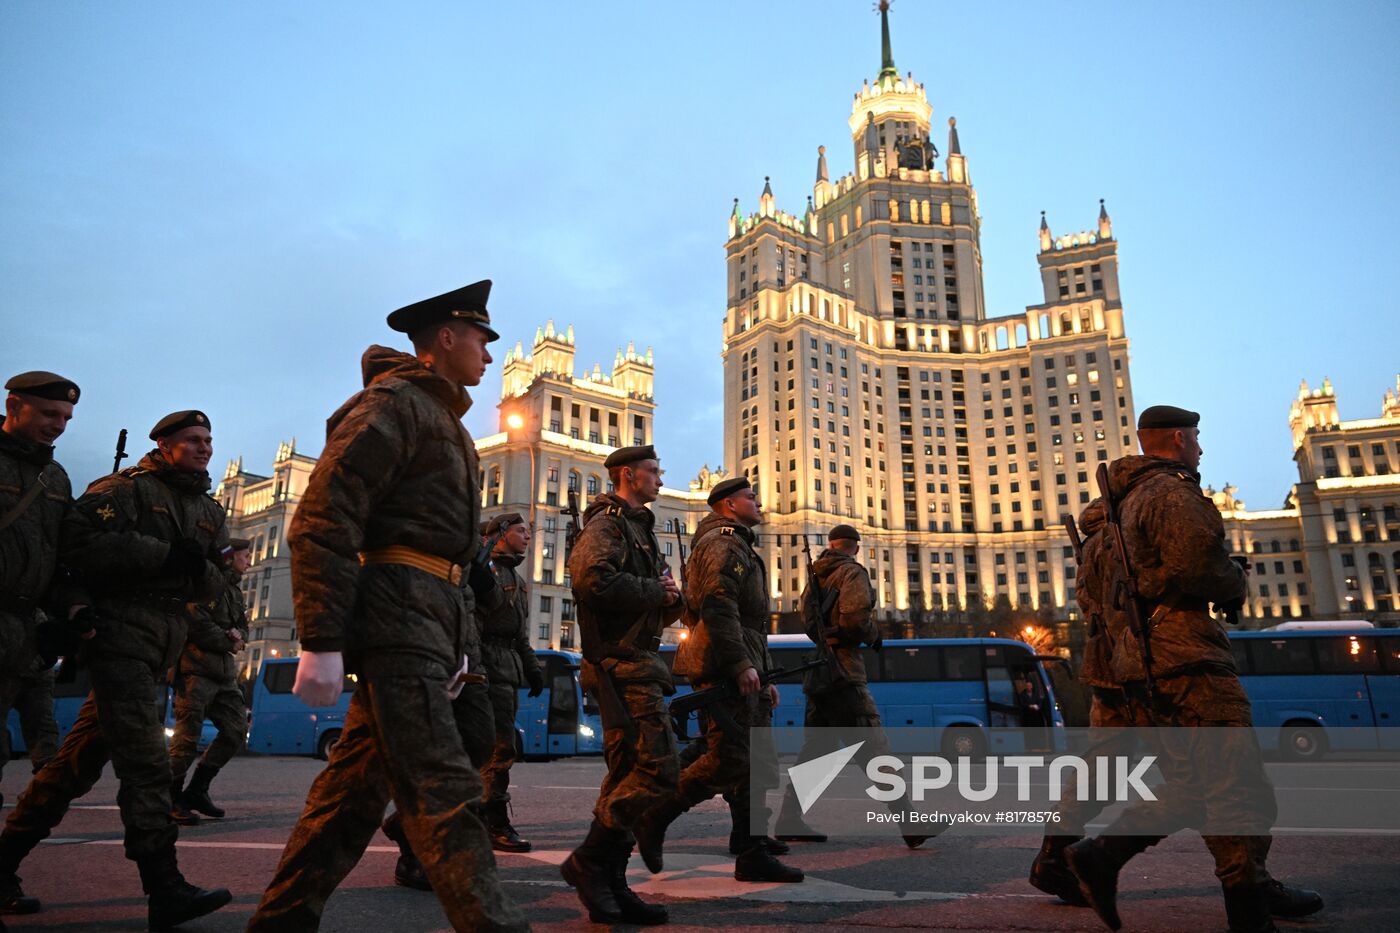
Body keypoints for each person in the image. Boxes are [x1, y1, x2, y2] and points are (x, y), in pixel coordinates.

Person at [246, 281, 526, 932]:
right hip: (398, 617)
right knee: (447, 787)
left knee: (354, 794)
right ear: (447, 338)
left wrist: (457, 637)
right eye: (481, 338)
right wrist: (320, 639)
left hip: (430, 617)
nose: (489, 352)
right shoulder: (393, 405)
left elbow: (452, 554)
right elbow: (322, 517)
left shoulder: (445, 421)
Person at [1061, 406, 1323, 933]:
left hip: (1139, 667)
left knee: (1202, 784)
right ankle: (1236, 905)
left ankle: (1245, 890)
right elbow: (1200, 566)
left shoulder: (1110, 517)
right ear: (1179, 438)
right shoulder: (1170, 494)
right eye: (1197, 440)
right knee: (1232, 783)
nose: (1201, 450)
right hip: (1187, 660)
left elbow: (1095, 603)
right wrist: (1235, 583)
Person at [0, 407, 235, 930]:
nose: (204, 448)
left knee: (72, 769)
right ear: (165, 444)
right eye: (193, 440)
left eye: (209, 440)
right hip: (118, 636)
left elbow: (221, 576)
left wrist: (195, 572)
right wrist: (163, 557)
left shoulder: (209, 509)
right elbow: (75, 546)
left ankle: (3, 861)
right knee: (148, 763)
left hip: (162, 644)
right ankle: (164, 885)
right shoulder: (125, 490)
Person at [633, 476, 805, 885]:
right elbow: (718, 607)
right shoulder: (723, 543)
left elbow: (746, 622)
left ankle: (752, 850)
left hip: (740, 664)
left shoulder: (736, 542)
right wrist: (740, 664)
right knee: (731, 759)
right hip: (722, 666)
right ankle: (654, 814)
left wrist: (760, 672)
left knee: (751, 762)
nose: (758, 501)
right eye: (751, 496)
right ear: (728, 505)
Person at [562, 444, 681, 925]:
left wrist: (670, 597)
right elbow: (593, 582)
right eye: (653, 471)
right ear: (628, 475)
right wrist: (657, 590)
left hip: (639, 661)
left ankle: (609, 880)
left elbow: (649, 601)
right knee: (658, 771)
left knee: (627, 772)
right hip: (621, 666)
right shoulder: (607, 525)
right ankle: (592, 861)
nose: (659, 477)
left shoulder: (638, 531)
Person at [771, 524, 929, 850]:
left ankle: (789, 818)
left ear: (831, 545)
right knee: (873, 744)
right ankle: (908, 820)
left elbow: (808, 621)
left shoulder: (816, 576)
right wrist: (872, 635)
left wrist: (827, 638)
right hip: (844, 672)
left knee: (816, 752)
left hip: (819, 672)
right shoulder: (851, 572)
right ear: (855, 547)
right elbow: (856, 618)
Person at [0, 372, 85, 918]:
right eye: (49, 415)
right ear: (14, 405)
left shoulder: (55, 477)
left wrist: (70, 611)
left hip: (29, 637)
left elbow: (66, 555)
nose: (58, 427)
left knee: (49, 761)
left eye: (66, 420)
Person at [473, 512, 545, 852]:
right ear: (500, 534)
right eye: (520, 530)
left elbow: (519, 635)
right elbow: (476, 626)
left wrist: (532, 669)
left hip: (506, 671)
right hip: (486, 670)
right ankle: (494, 822)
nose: (527, 536)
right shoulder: (482, 573)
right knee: (497, 749)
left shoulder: (516, 578)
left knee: (498, 749)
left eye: (528, 531)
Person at [169, 537, 252, 824]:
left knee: (236, 730)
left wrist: (239, 636)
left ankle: (197, 790)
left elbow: (244, 626)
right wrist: (227, 640)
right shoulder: (205, 584)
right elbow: (196, 622)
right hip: (196, 671)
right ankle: (170, 798)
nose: (248, 562)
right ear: (230, 558)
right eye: (243, 557)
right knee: (186, 739)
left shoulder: (234, 592)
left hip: (224, 674)